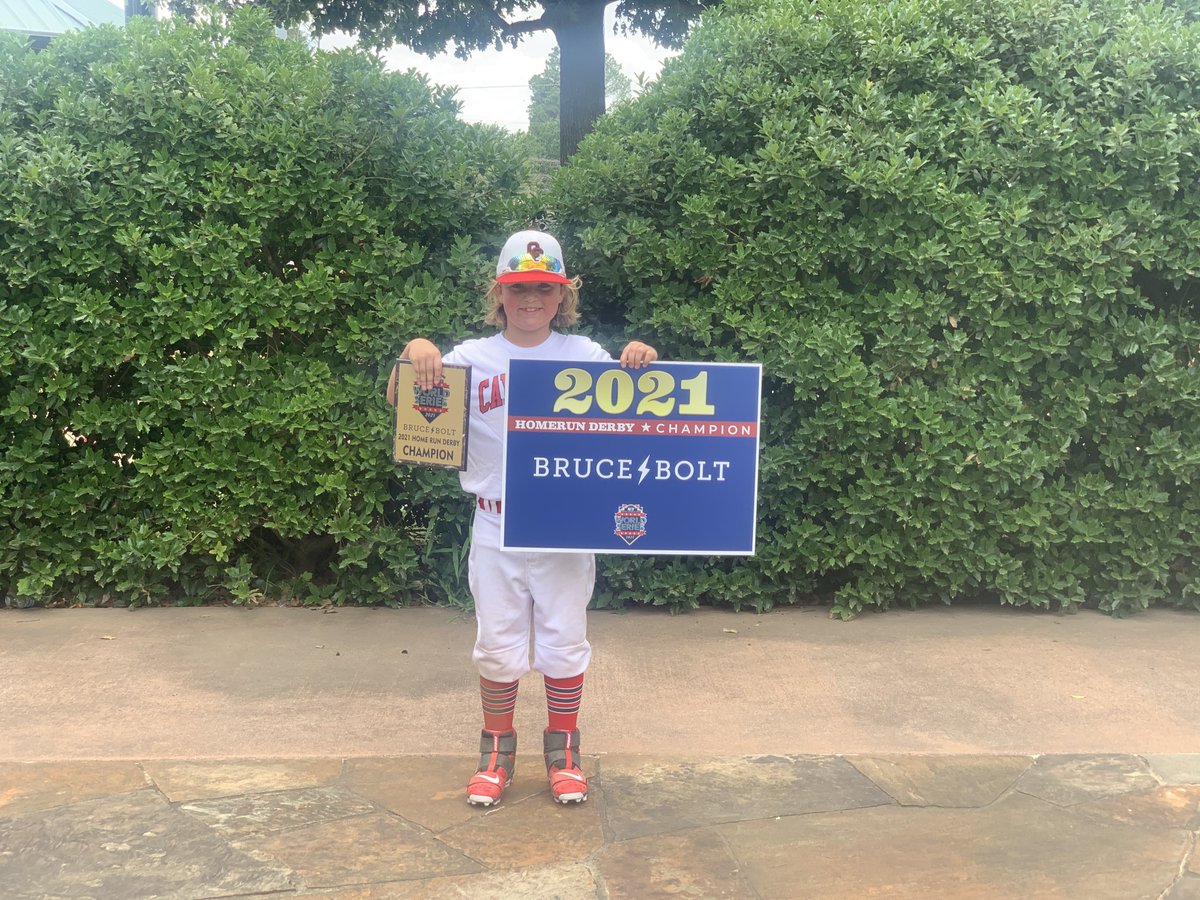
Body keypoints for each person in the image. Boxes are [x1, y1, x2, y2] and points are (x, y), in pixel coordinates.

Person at [386, 230, 657, 806]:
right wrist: (415, 350)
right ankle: (495, 752)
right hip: (495, 521)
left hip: (564, 522)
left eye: (544, 287)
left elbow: (641, 409)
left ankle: (564, 753)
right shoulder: (470, 357)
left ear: (562, 296)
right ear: (499, 294)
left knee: (565, 638)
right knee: (497, 642)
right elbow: (400, 396)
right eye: (518, 288)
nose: (531, 298)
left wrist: (640, 362)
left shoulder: (583, 356)